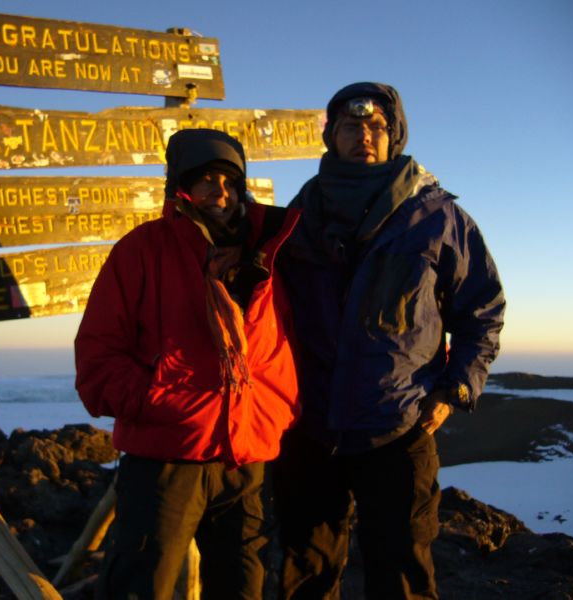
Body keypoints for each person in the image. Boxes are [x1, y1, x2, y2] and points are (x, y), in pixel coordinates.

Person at [274, 82, 506, 599]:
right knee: (305, 576)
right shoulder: (298, 217)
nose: (364, 135)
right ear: (330, 136)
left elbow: (481, 311)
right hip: (308, 428)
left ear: (394, 136)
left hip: (398, 429)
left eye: (377, 126)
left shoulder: (436, 218)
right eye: (351, 125)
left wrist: (454, 389)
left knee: (402, 578)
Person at [75, 127, 302, 599]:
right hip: (166, 460)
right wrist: (162, 401)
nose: (218, 194)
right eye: (205, 181)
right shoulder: (143, 250)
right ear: (179, 186)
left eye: (229, 182)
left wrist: (280, 410)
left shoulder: (270, 251)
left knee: (243, 589)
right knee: (141, 588)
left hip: (247, 457)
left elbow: (290, 344)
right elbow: (97, 358)